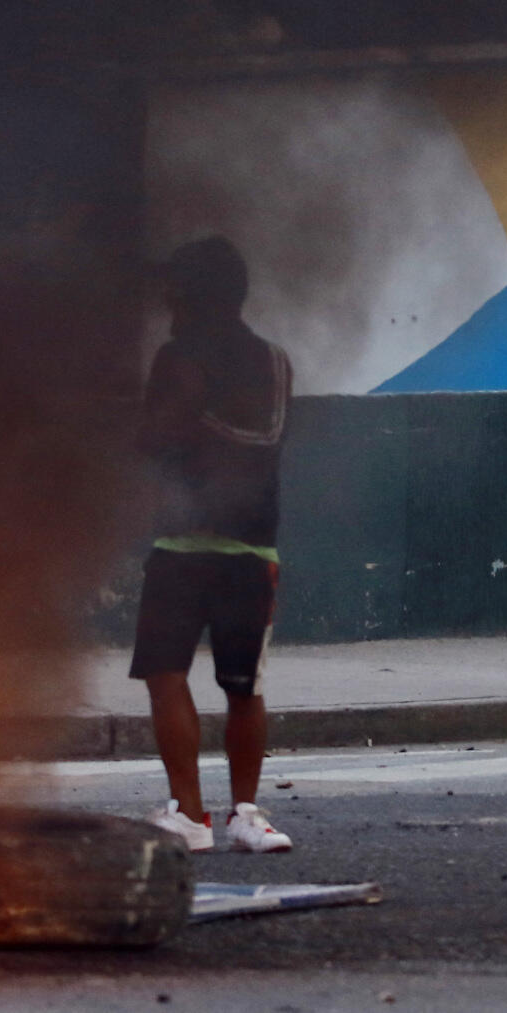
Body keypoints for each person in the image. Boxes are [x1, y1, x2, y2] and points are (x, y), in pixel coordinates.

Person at [132, 236, 296, 854]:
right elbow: (266, 441)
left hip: (183, 544)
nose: (166, 296)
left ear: (192, 293)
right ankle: (247, 815)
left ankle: (192, 817)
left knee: (166, 675)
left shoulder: (177, 358)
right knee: (244, 687)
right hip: (255, 548)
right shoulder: (276, 361)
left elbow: (153, 437)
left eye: (174, 285)